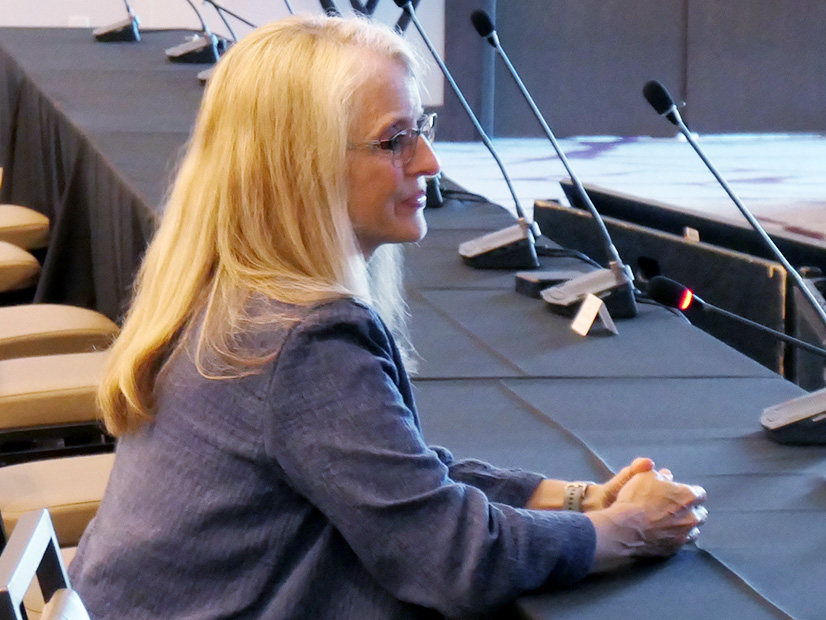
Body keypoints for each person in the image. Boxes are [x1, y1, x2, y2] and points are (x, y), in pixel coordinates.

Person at [69, 13, 708, 620]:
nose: (428, 162)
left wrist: (578, 499)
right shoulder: (302, 338)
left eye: (422, 128)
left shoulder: (228, 285)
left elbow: (399, 475)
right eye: (394, 141)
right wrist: (625, 530)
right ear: (301, 166)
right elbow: (456, 562)